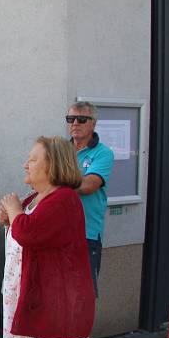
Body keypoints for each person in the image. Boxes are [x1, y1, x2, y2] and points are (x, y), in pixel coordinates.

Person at [0, 136, 95, 338]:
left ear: (52, 165)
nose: (25, 164)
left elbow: (29, 232)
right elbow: (24, 232)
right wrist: (8, 219)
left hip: (56, 312)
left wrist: (13, 213)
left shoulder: (63, 199)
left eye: (33, 159)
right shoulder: (37, 198)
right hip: (36, 308)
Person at [66, 101, 115, 296]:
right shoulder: (60, 150)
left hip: (87, 235)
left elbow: (88, 185)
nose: (75, 123)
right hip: (57, 232)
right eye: (71, 119)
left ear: (93, 123)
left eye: (82, 119)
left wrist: (57, 183)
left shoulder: (103, 153)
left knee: (81, 296)